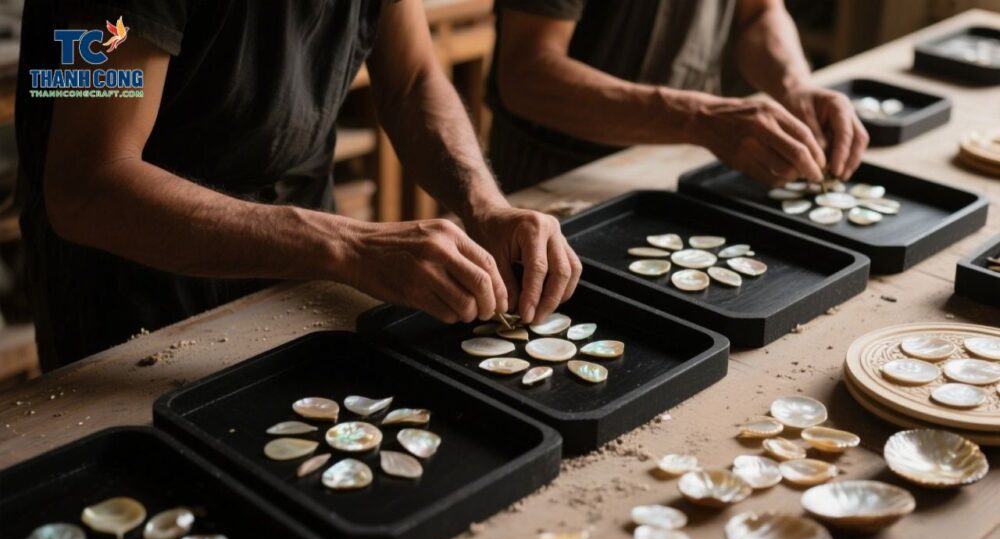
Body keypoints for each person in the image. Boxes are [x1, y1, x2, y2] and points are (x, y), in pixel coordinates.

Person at [16, 0, 581, 371]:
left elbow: (411, 80)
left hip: (304, 259)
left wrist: (485, 205)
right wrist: (350, 245)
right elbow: (87, 186)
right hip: (137, 288)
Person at [488, 0, 870, 192]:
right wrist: (698, 117)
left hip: (687, 156)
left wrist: (796, 86)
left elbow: (759, 13)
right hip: (558, 171)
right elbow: (527, 72)